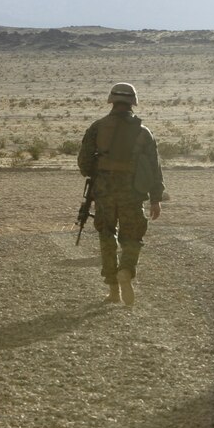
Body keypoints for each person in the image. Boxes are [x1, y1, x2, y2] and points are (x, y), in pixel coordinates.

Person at [77, 82, 165, 306]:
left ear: (112, 101)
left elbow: (84, 164)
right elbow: (155, 169)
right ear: (132, 103)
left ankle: (113, 290)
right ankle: (126, 270)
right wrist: (155, 198)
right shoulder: (144, 133)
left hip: (104, 193)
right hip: (133, 192)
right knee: (132, 236)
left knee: (107, 236)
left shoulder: (97, 128)